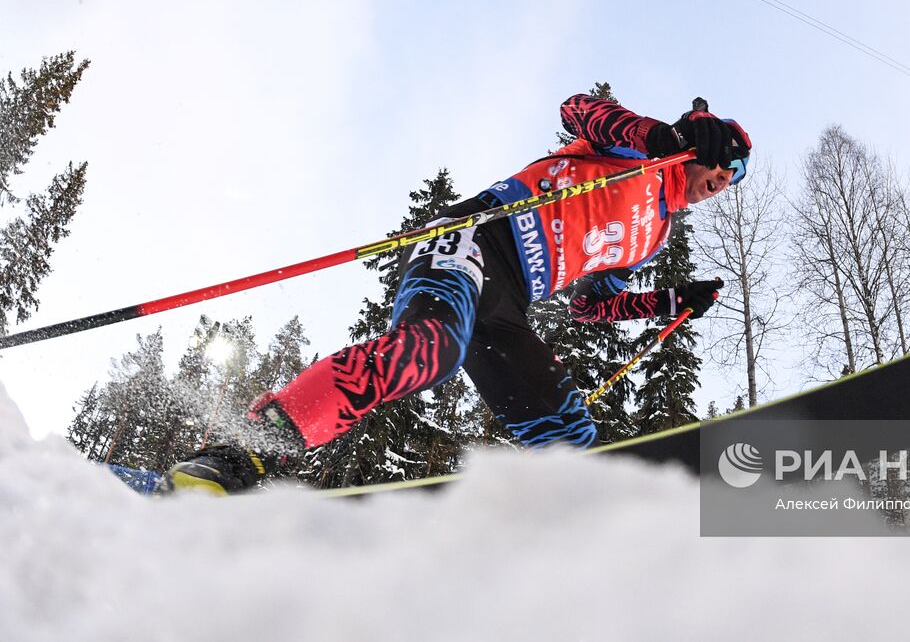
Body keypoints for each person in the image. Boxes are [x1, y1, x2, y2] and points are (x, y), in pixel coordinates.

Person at [166, 93, 752, 494]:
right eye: (722, 167)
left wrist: (670, 302)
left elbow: (590, 305)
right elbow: (578, 109)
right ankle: (239, 454)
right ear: (700, 147)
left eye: (730, 182)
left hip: (509, 305)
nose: (720, 184)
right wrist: (662, 134)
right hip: (474, 240)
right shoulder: (637, 150)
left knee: (572, 440)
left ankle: (550, 555)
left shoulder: (654, 236)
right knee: (429, 352)